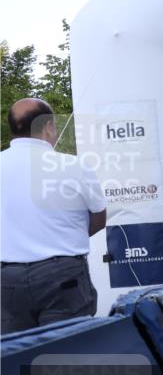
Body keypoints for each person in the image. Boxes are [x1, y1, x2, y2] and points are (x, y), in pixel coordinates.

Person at [1, 98, 107, 334]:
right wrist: (63, 236)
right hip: (63, 277)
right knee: (66, 356)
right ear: (48, 126)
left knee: (13, 357)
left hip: (7, 280)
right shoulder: (75, 166)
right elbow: (99, 219)